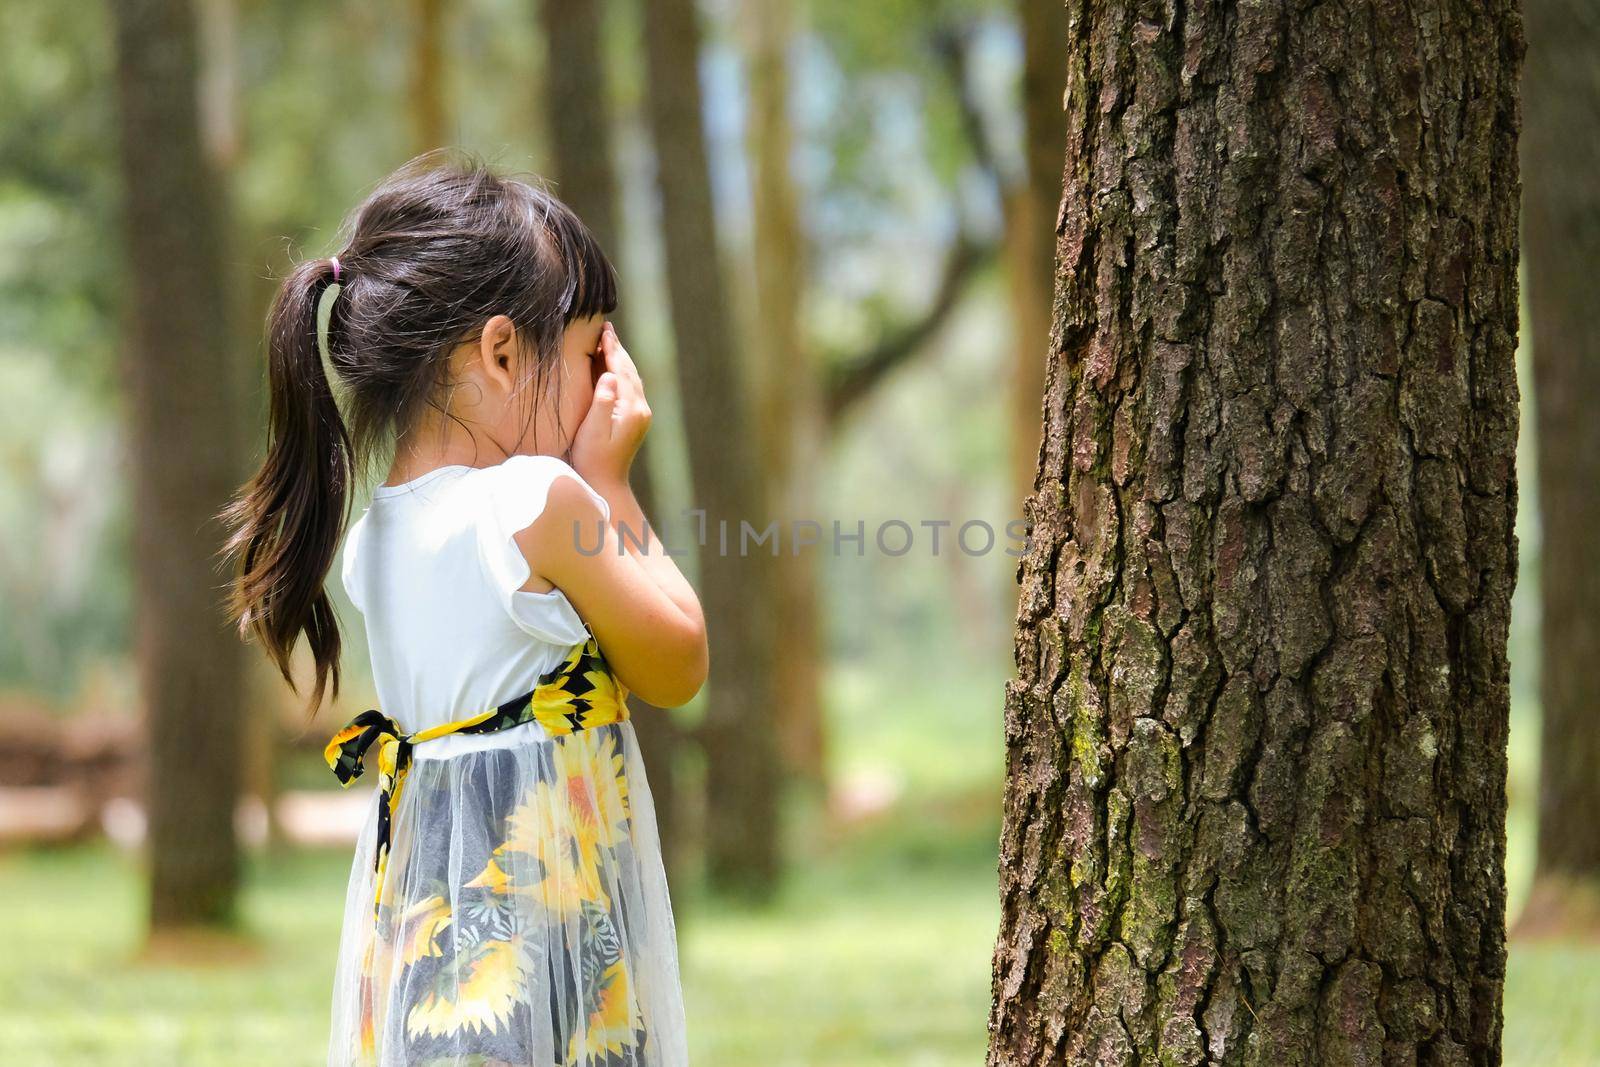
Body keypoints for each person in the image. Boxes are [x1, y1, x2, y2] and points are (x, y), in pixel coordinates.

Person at [219, 150, 705, 1067]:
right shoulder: (536, 503)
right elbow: (678, 660)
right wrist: (611, 481)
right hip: (541, 937)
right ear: (501, 350)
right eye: (591, 350)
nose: (606, 386)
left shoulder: (376, 537)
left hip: (423, 931)